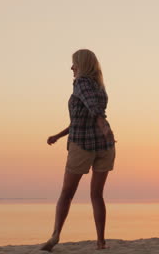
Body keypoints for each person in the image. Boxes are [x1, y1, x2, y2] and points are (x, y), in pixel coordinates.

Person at [41, 49, 115, 251]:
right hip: (105, 147)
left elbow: (95, 111)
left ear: (82, 64)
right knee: (97, 195)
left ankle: (55, 235)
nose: (71, 67)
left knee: (66, 193)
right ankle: (101, 242)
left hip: (83, 145)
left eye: (74, 63)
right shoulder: (100, 86)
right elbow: (81, 118)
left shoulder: (81, 83)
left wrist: (103, 126)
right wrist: (58, 135)